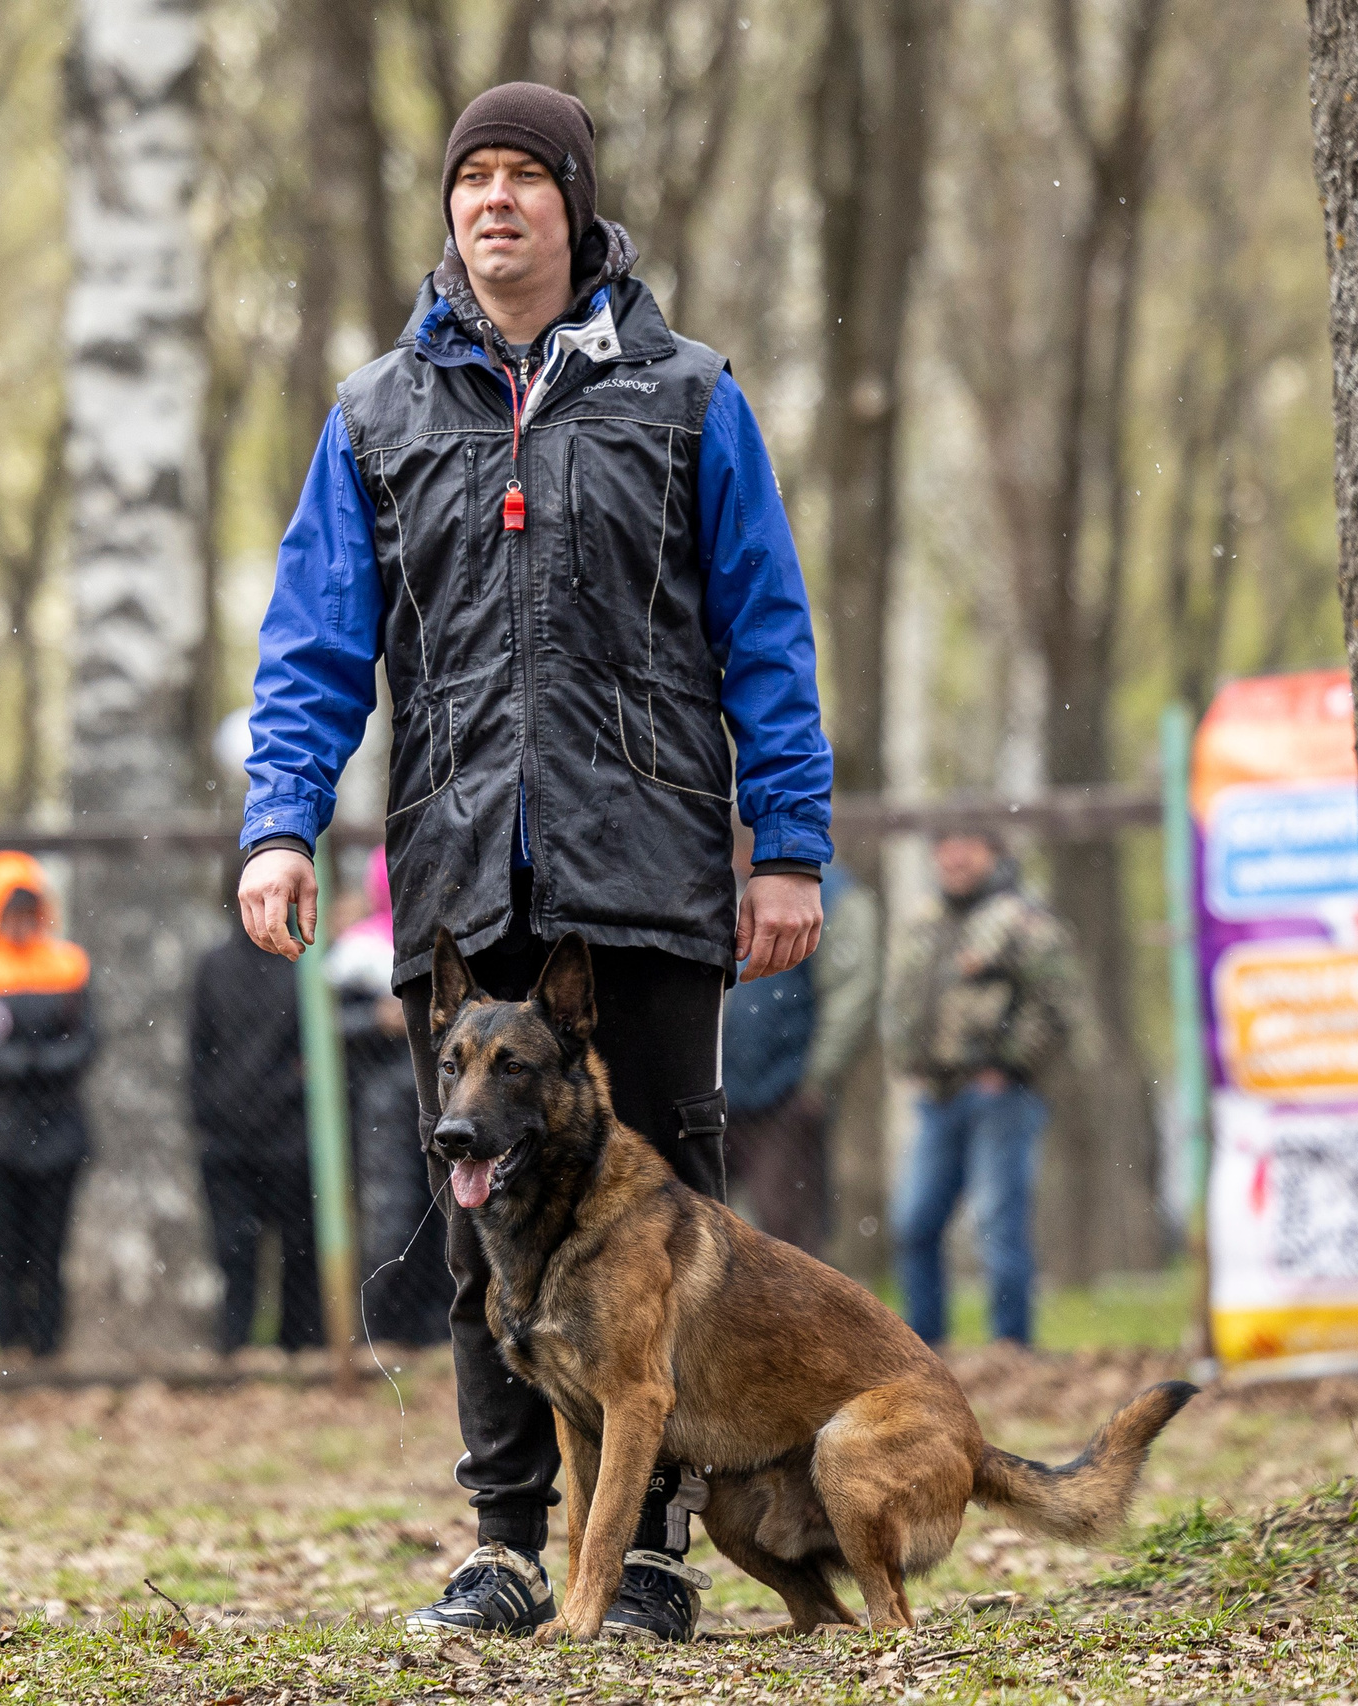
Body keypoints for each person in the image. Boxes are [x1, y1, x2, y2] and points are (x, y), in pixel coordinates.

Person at [234, 81, 835, 1641]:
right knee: (475, 1205)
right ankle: (503, 1539)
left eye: (523, 177)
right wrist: (280, 821)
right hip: (456, 876)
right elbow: (314, 645)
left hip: (649, 871)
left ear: (575, 206)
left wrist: (790, 845)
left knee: (674, 1209)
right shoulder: (375, 414)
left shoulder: (690, 395)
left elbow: (765, 631)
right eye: (470, 179)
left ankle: (649, 1549)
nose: (493, 201)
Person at [882, 832, 1083, 1348]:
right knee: (915, 1221)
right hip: (936, 1095)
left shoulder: (1023, 921)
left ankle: (1010, 1349)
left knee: (999, 1223)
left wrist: (1010, 1066)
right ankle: (926, 1348)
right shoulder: (924, 923)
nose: (955, 857)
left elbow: (1058, 1003)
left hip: (999, 1098)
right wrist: (907, 1059)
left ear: (994, 856)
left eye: (968, 847)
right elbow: (903, 1000)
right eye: (946, 847)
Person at [0, 852, 97, 1361]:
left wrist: (37, 1063)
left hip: (57, 1132)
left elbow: (87, 1041)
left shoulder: (68, 966)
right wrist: (11, 1066)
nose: (22, 924)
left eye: (31, 912)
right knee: (5, 1247)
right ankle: (9, 1347)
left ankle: (48, 1348)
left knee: (49, 1248)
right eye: (12, 912)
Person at [719, 854, 879, 1253]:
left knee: (791, 1247)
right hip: (713, 1095)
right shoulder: (715, 881)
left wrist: (815, 1081)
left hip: (784, 1095)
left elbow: (851, 997)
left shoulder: (835, 895)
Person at [189, 892, 324, 1356]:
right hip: (249, 1139)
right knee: (243, 1254)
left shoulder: (303, 967)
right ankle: (248, 1349)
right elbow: (199, 1053)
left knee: (289, 1253)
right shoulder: (222, 967)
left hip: (277, 1139)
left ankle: (285, 1349)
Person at [328, 849, 453, 1346]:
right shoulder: (355, 956)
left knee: (451, 1216)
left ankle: (441, 1327)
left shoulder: (449, 945)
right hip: (385, 1107)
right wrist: (380, 1022)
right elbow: (327, 1029)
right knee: (393, 1220)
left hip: (448, 1106)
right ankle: (382, 1332)